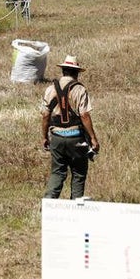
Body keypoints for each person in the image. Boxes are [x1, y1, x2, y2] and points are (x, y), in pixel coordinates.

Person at [41, 54, 100, 199]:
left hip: (56, 137)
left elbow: (45, 115)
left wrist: (44, 137)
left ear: (63, 71)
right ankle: (76, 208)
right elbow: (84, 115)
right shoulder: (79, 90)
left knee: (57, 173)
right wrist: (93, 138)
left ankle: (48, 206)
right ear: (76, 73)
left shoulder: (50, 89)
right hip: (76, 138)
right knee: (79, 173)